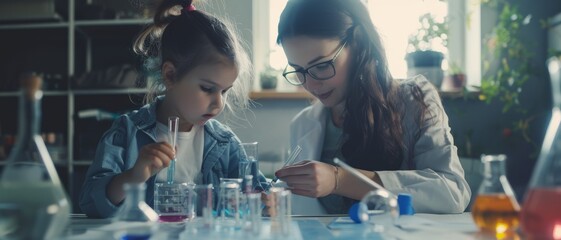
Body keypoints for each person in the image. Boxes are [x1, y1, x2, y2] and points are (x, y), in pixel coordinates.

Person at [273, 0, 471, 214]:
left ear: (357, 42)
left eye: (322, 66)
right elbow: (300, 214)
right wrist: (275, 204)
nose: (310, 85)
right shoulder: (303, 124)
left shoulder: (414, 99)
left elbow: (452, 192)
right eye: (297, 70)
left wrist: (340, 180)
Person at [79, 0, 266, 218]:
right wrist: (133, 176)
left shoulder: (225, 144)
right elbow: (89, 202)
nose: (219, 104)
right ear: (170, 75)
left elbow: (259, 193)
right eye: (207, 88)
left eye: (224, 91)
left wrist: (266, 201)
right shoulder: (126, 133)